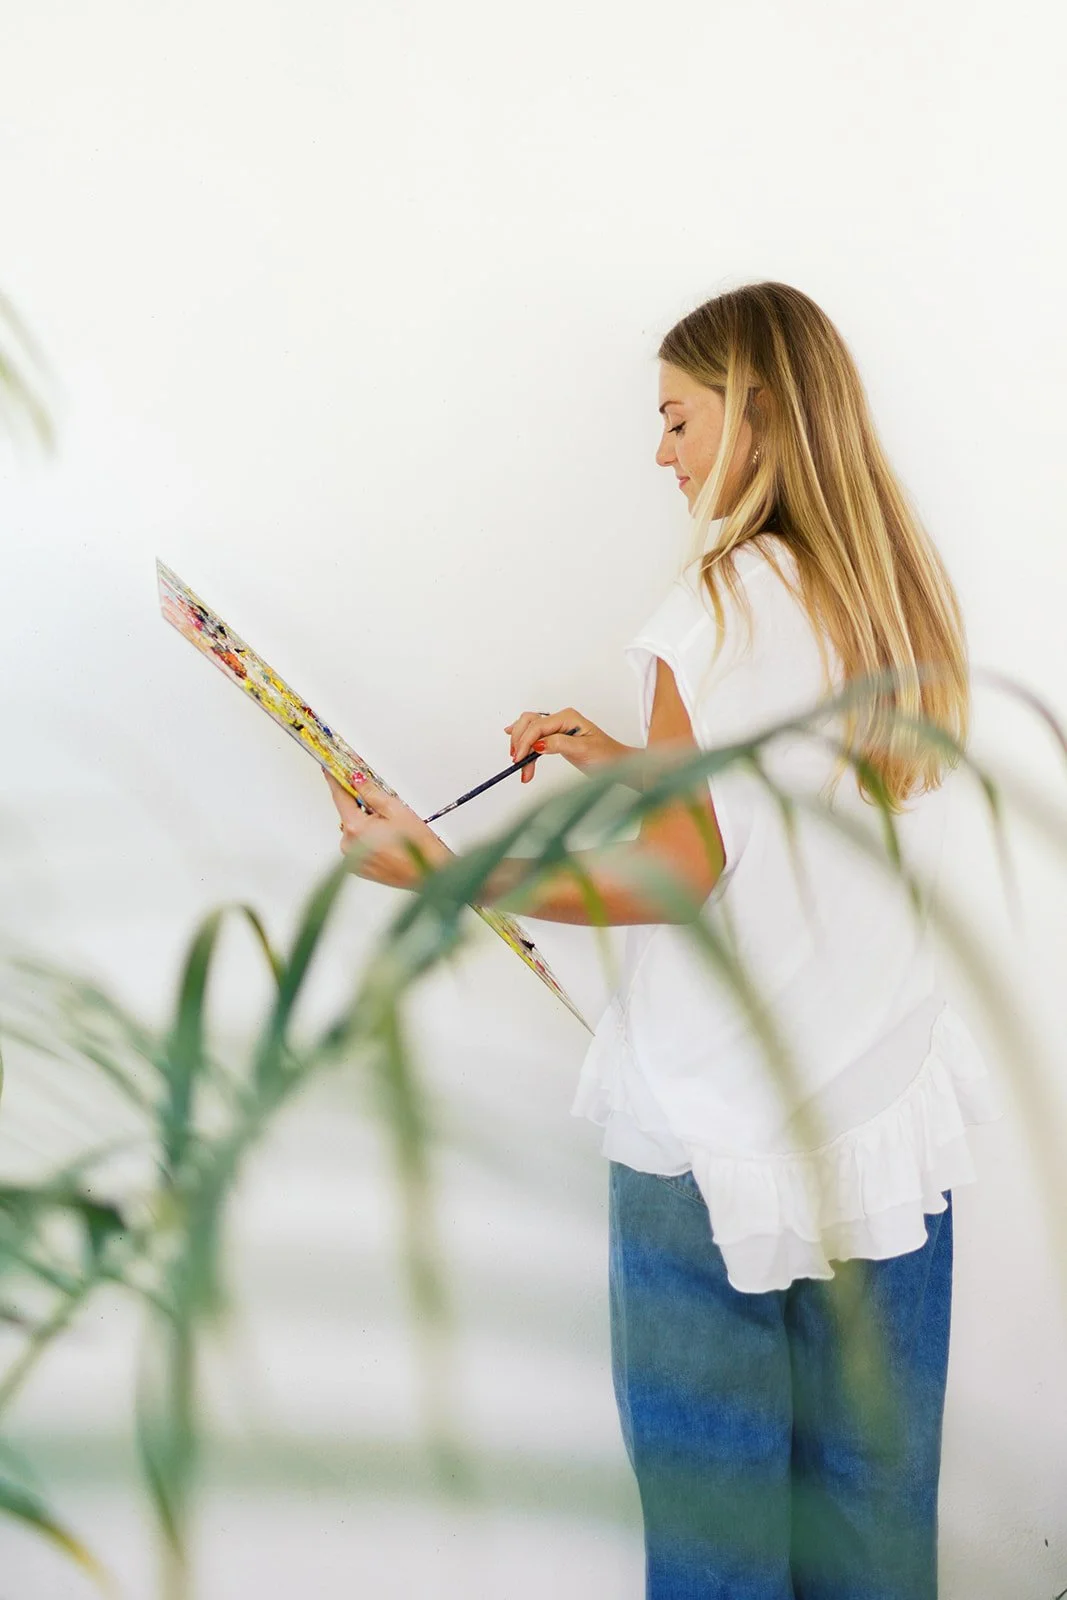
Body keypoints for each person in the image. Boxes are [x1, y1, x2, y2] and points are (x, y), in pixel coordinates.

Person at [324, 280, 1004, 1599]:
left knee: (718, 1544)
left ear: (752, 417)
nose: (661, 454)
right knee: (873, 1518)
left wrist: (442, 870)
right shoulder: (879, 594)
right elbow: (774, 806)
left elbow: (678, 875)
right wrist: (629, 755)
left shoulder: (714, 599)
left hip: (718, 1141)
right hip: (878, 1116)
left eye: (677, 418)